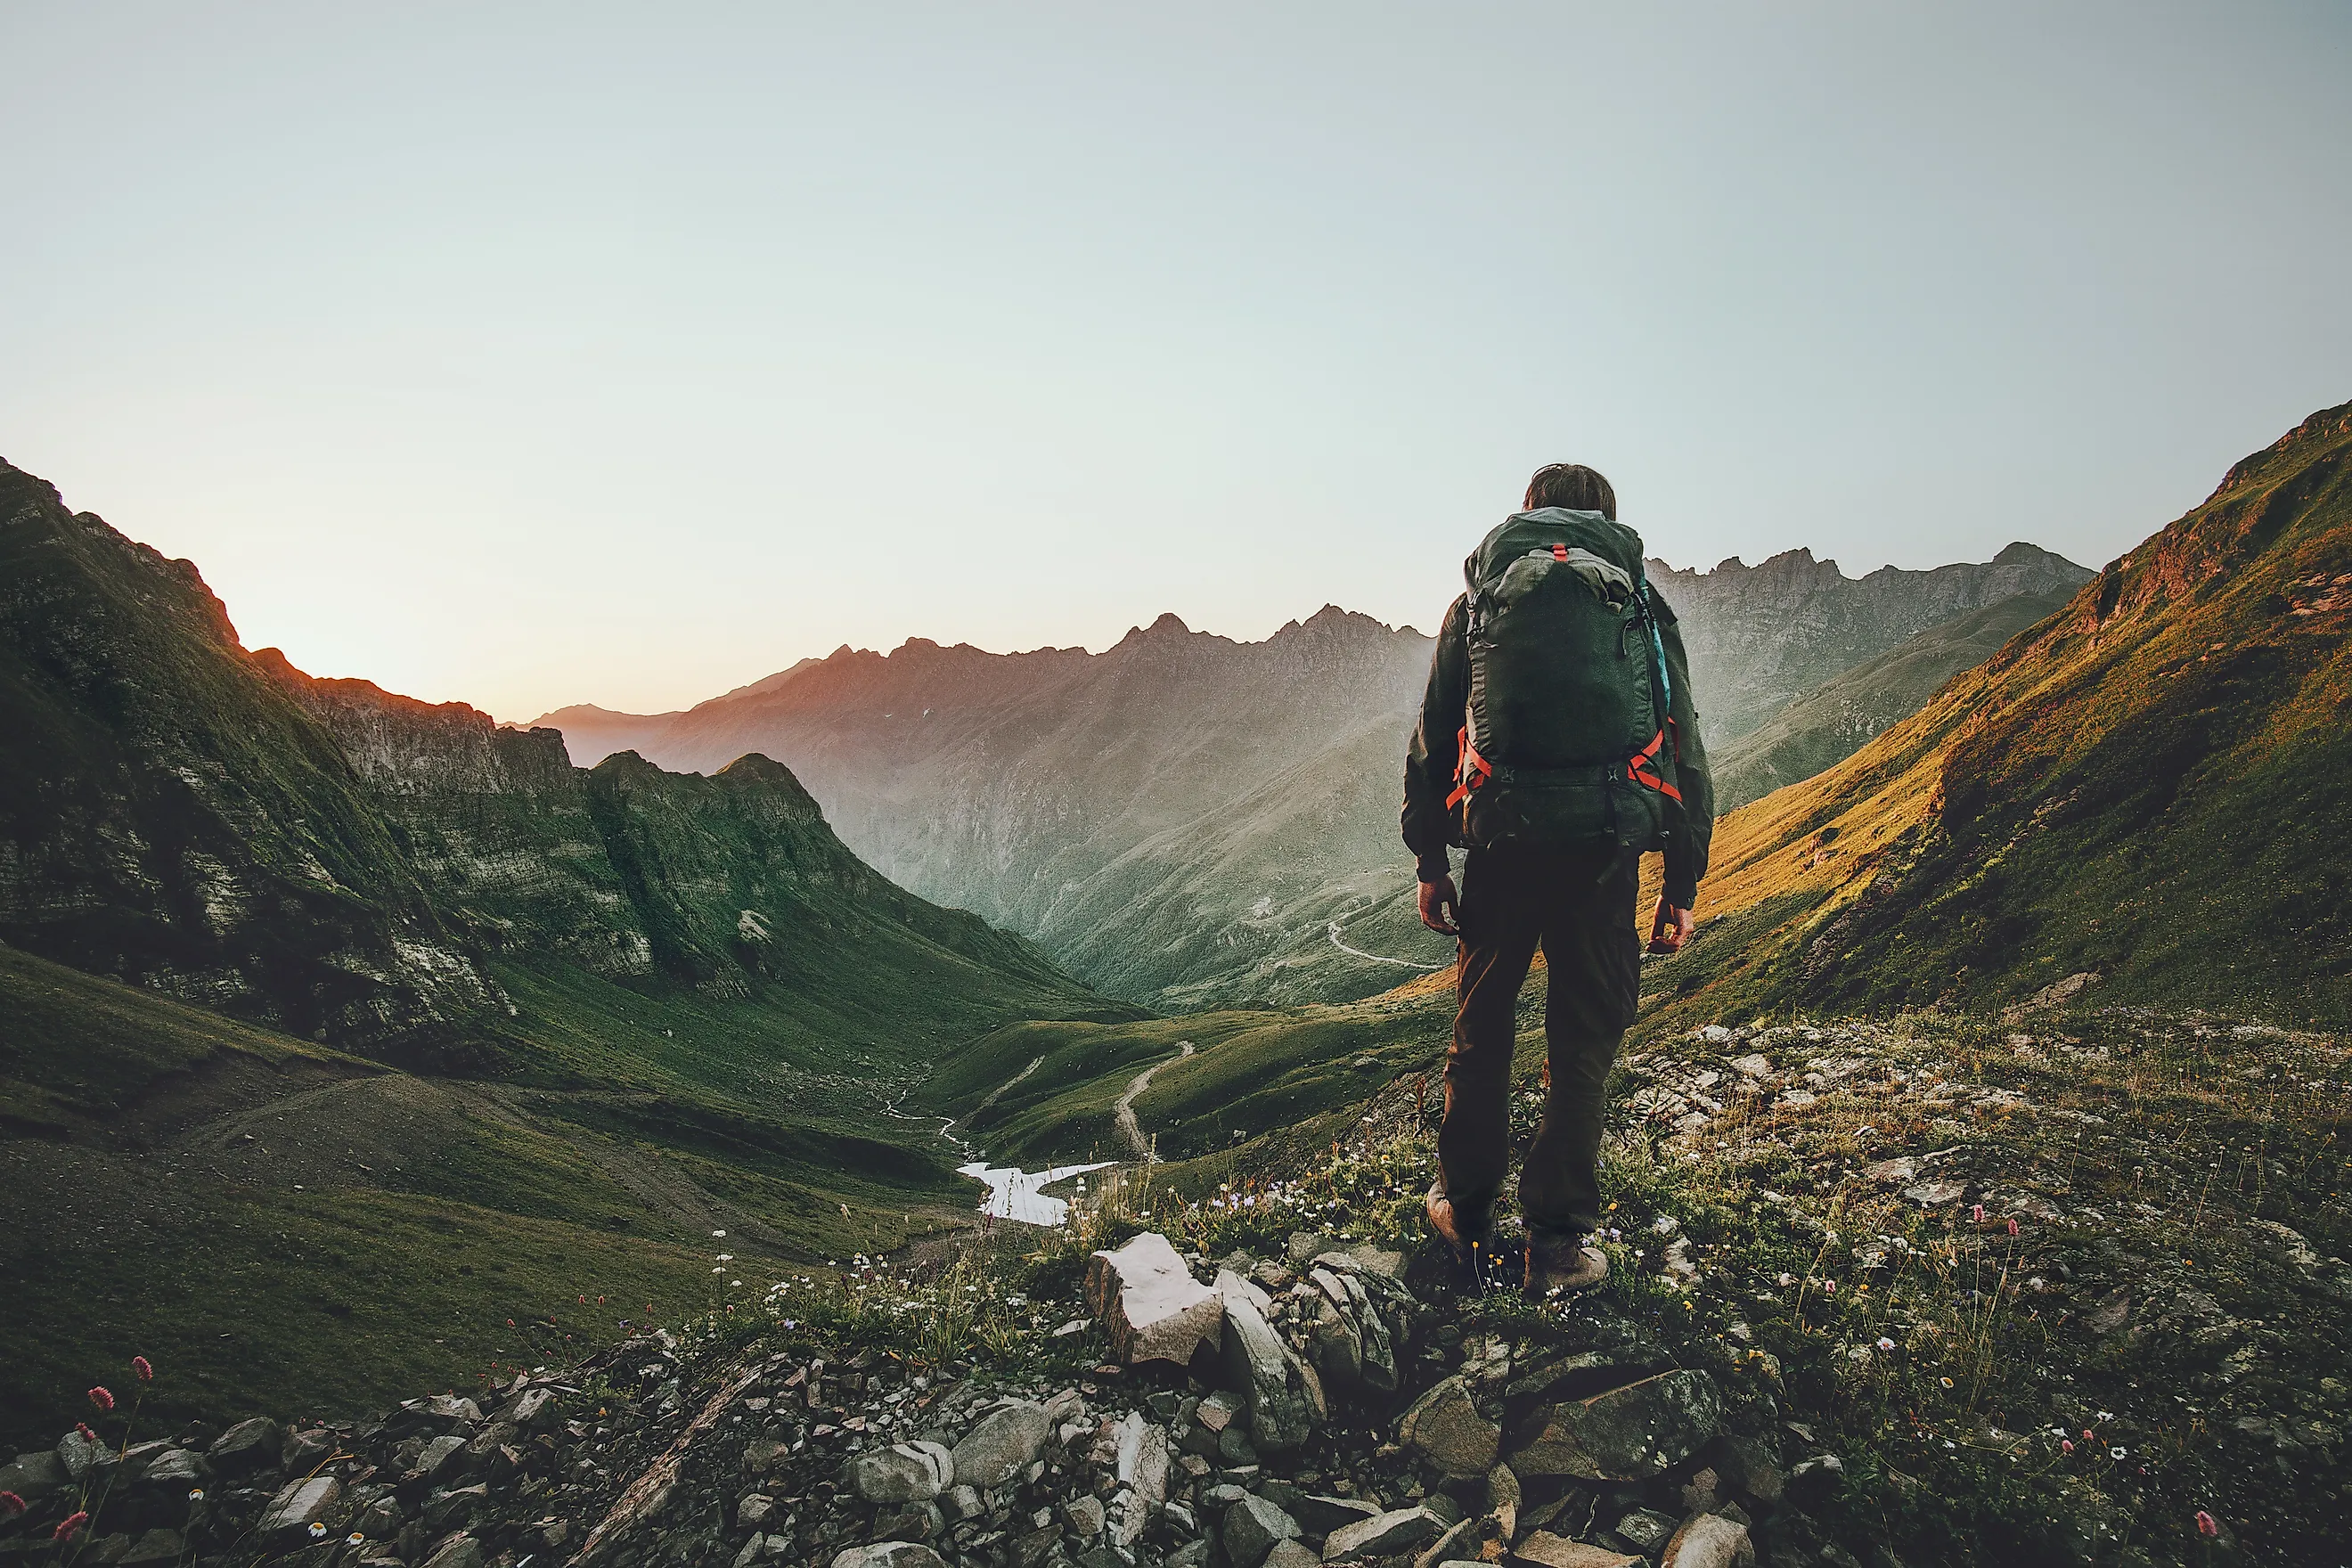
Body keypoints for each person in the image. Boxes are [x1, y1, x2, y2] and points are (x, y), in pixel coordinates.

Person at [1401, 462, 1714, 1297]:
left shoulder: (1479, 604)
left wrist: (1431, 862)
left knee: (1482, 1031)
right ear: (1610, 520)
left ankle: (1466, 1214)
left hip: (1502, 846)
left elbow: (1435, 739)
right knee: (1581, 1046)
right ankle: (1557, 1246)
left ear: (1527, 514)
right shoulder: (1642, 606)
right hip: (1605, 855)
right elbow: (1684, 745)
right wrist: (1682, 883)